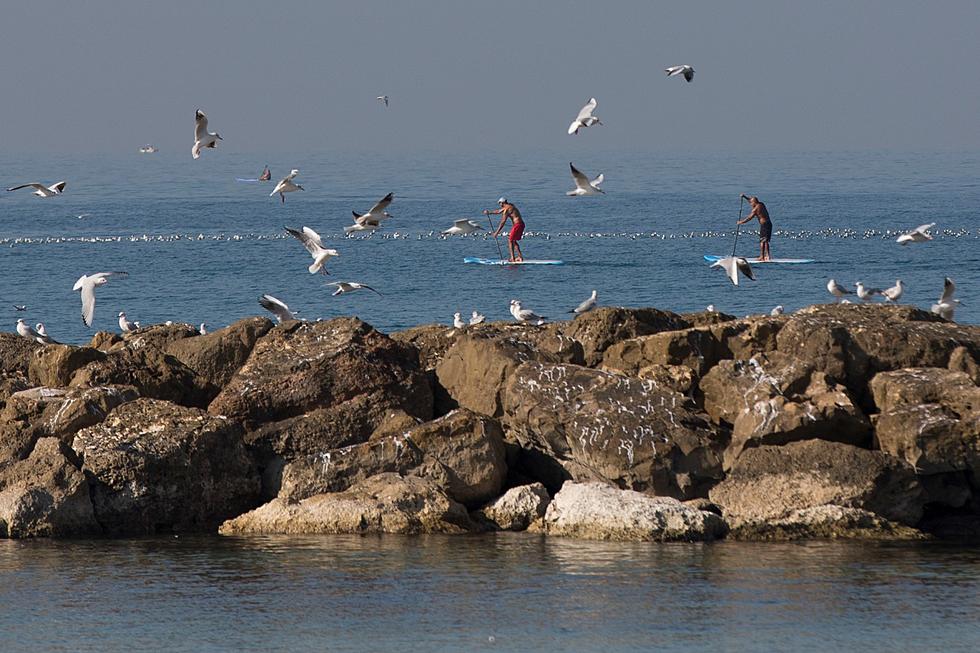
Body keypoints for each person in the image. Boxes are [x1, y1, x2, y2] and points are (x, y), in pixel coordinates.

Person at [484, 197, 525, 262]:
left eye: (499, 203)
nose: (499, 205)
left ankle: (512, 258)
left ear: (502, 203)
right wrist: (489, 212)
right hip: (520, 224)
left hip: (518, 225)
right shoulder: (510, 206)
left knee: (510, 240)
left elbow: (503, 222)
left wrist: (496, 232)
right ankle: (520, 257)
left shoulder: (507, 209)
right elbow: (498, 211)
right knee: (513, 241)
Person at [737, 194, 772, 261]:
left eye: (751, 203)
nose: (750, 204)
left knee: (762, 241)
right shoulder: (761, 204)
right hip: (769, 224)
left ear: (754, 202)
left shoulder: (755, 209)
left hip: (764, 225)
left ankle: (762, 257)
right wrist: (744, 197)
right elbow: (751, 200)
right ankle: (767, 256)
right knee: (766, 241)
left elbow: (749, 218)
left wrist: (741, 222)